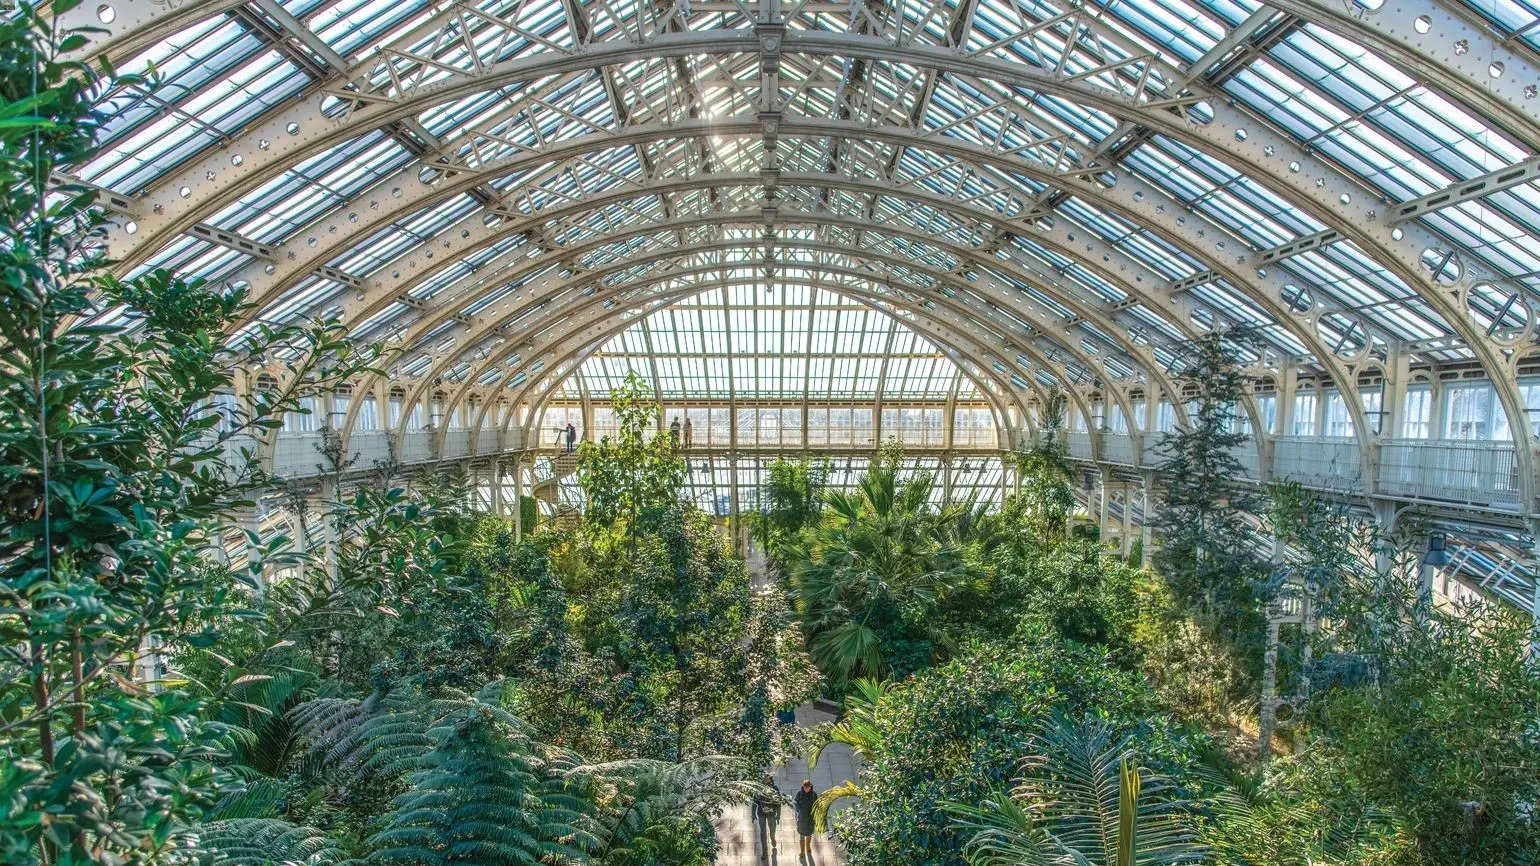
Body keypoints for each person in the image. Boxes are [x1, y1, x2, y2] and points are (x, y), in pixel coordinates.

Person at [753, 773, 782, 860]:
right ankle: (764, 851)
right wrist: (753, 814)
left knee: (772, 829)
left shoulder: (775, 789)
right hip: (761, 813)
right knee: (763, 832)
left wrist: (778, 815)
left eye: (768, 779)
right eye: (765, 779)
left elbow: (778, 803)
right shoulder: (759, 789)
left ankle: (773, 837)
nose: (766, 781)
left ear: (771, 780)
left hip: (771, 813)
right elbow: (755, 802)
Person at [793, 779, 817, 861]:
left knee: (809, 834)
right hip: (802, 818)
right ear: (803, 786)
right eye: (805, 787)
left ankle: (808, 846)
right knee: (802, 835)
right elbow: (795, 802)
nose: (806, 789)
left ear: (810, 786)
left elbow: (817, 805)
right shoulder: (799, 794)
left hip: (810, 818)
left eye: (808, 787)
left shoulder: (814, 795)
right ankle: (802, 851)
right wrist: (799, 809)